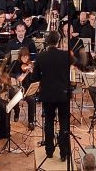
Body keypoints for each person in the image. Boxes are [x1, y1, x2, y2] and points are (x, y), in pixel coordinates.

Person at [34, 30, 70, 161]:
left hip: (47, 95)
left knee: (49, 121)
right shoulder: (65, 55)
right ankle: (64, 152)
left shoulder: (40, 56)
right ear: (58, 41)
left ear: (47, 42)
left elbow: (35, 77)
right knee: (64, 122)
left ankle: (49, 150)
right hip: (63, 94)